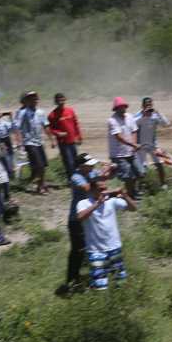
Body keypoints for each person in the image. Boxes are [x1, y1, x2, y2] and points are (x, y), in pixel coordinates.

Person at [75, 178, 136, 290]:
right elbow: (80, 217)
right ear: (92, 190)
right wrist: (97, 204)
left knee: (121, 282)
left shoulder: (111, 201)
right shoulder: (83, 203)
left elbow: (133, 208)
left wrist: (125, 195)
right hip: (96, 251)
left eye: (105, 188)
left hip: (114, 247)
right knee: (100, 285)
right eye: (100, 189)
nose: (104, 191)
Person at [64, 152, 107, 292]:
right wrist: (100, 176)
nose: (92, 166)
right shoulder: (76, 177)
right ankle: (72, 280)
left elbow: (103, 179)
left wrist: (110, 170)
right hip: (76, 220)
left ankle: (90, 276)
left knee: (92, 248)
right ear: (81, 166)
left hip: (89, 217)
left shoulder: (91, 173)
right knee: (77, 251)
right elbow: (87, 188)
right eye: (89, 165)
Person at [13, 91, 49, 195]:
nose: (34, 100)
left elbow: (45, 125)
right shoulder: (22, 113)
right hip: (29, 142)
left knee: (43, 165)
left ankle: (39, 183)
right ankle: (40, 186)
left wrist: (52, 139)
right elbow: (17, 128)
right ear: (26, 101)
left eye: (35, 98)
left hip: (39, 142)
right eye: (31, 98)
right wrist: (19, 142)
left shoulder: (40, 112)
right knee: (40, 165)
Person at [134, 97, 170, 189]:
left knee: (159, 163)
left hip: (153, 144)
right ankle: (141, 186)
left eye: (150, 104)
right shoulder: (138, 115)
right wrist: (143, 115)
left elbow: (166, 124)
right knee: (142, 167)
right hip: (140, 145)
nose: (148, 106)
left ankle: (163, 184)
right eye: (146, 105)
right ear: (142, 106)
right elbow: (132, 125)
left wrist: (158, 112)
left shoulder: (154, 116)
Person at [107, 97, 140, 199]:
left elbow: (134, 130)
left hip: (130, 152)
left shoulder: (130, 117)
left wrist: (134, 144)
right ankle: (131, 195)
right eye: (120, 107)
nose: (122, 109)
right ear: (116, 109)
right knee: (128, 176)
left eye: (123, 107)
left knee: (140, 172)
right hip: (118, 154)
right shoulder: (112, 120)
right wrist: (133, 145)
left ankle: (131, 191)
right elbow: (119, 137)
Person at [47, 93, 82, 177]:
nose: (61, 102)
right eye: (59, 100)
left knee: (76, 161)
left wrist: (79, 136)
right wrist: (58, 133)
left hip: (73, 141)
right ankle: (72, 180)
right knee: (68, 162)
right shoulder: (52, 115)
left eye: (62, 100)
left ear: (65, 100)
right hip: (63, 143)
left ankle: (78, 178)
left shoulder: (70, 111)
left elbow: (76, 124)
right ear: (55, 102)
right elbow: (50, 129)